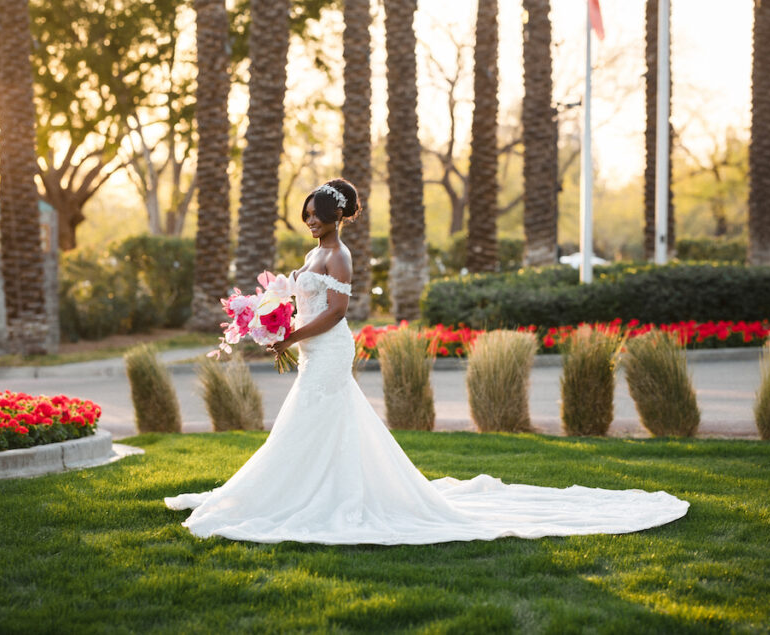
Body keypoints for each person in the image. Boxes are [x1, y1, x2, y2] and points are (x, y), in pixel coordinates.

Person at [165, 179, 688, 545]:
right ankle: (300, 488)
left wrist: (291, 335)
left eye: (315, 213)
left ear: (334, 217)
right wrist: (273, 314)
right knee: (318, 421)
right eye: (306, 212)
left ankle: (304, 495)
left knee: (310, 418)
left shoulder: (338, 255)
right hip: (308, 346)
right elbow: (303, 296)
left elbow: (338, 311)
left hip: (326, 345)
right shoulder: (312, 254)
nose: (308, 219)